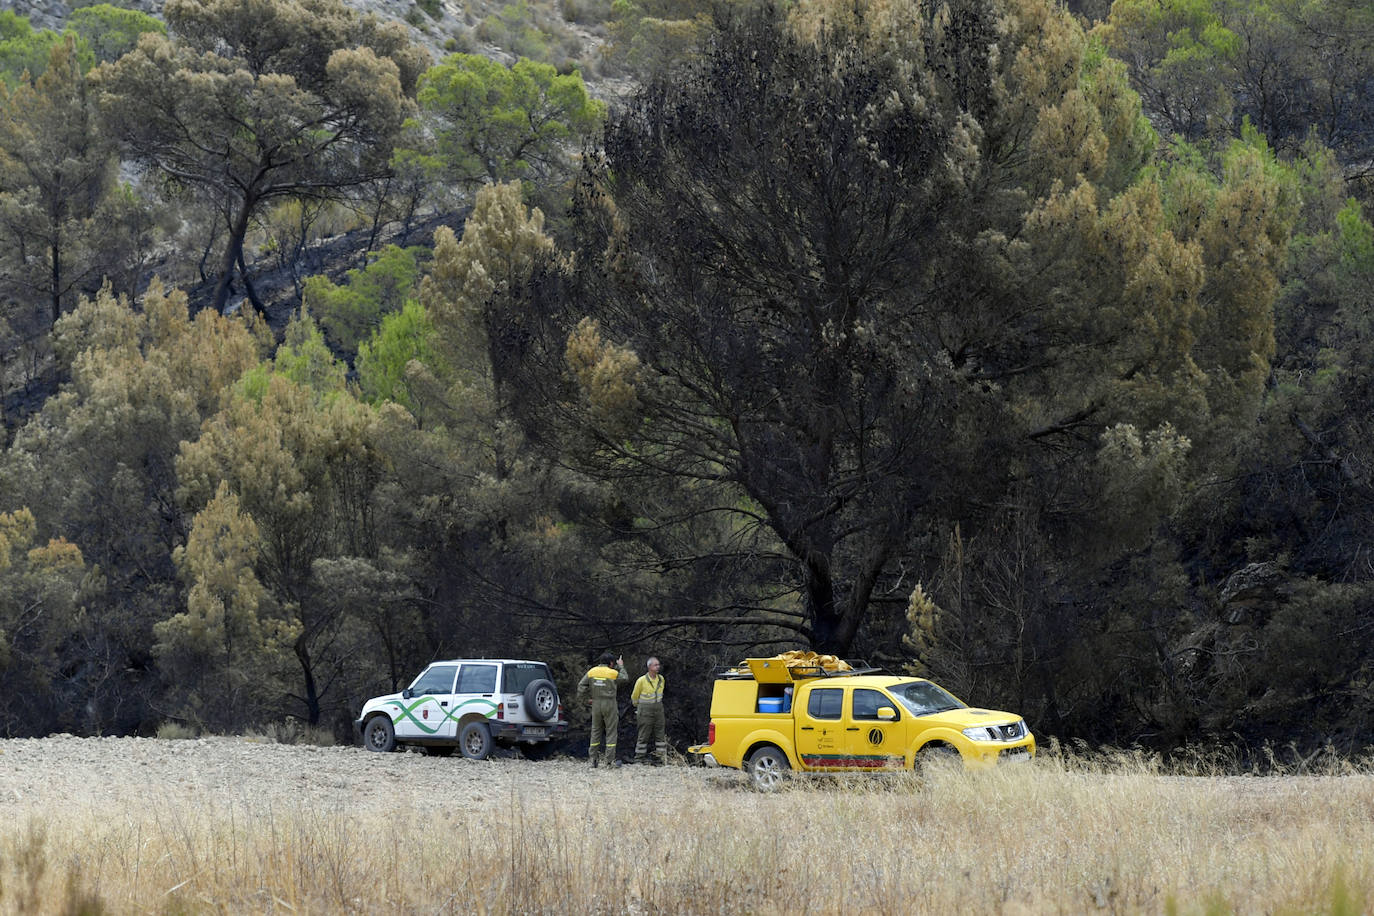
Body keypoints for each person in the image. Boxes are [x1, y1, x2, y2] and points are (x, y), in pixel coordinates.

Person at [577, 652, 628, 767]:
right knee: (611, 732)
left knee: (595, 731)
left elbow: (581, 686)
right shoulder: (613, 673)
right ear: (611, 663)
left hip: (596, 703)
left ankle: (593, 759)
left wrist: (586, 700)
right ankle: (609, 761)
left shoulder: (592, 672)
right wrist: (621, 666)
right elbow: (625, 678)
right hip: (609, 703)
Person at [631, 656, 668, 765]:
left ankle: (661, 759)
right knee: (643, 735)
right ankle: (639, 759)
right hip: (645, 710)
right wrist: (639, 707)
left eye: (658, 665)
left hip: (658, 709)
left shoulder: (661, 679)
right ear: (649, 667)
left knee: (660, 734)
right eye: (655, 665)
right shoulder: (641, 680)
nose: (658, 667)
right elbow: (634, 696)